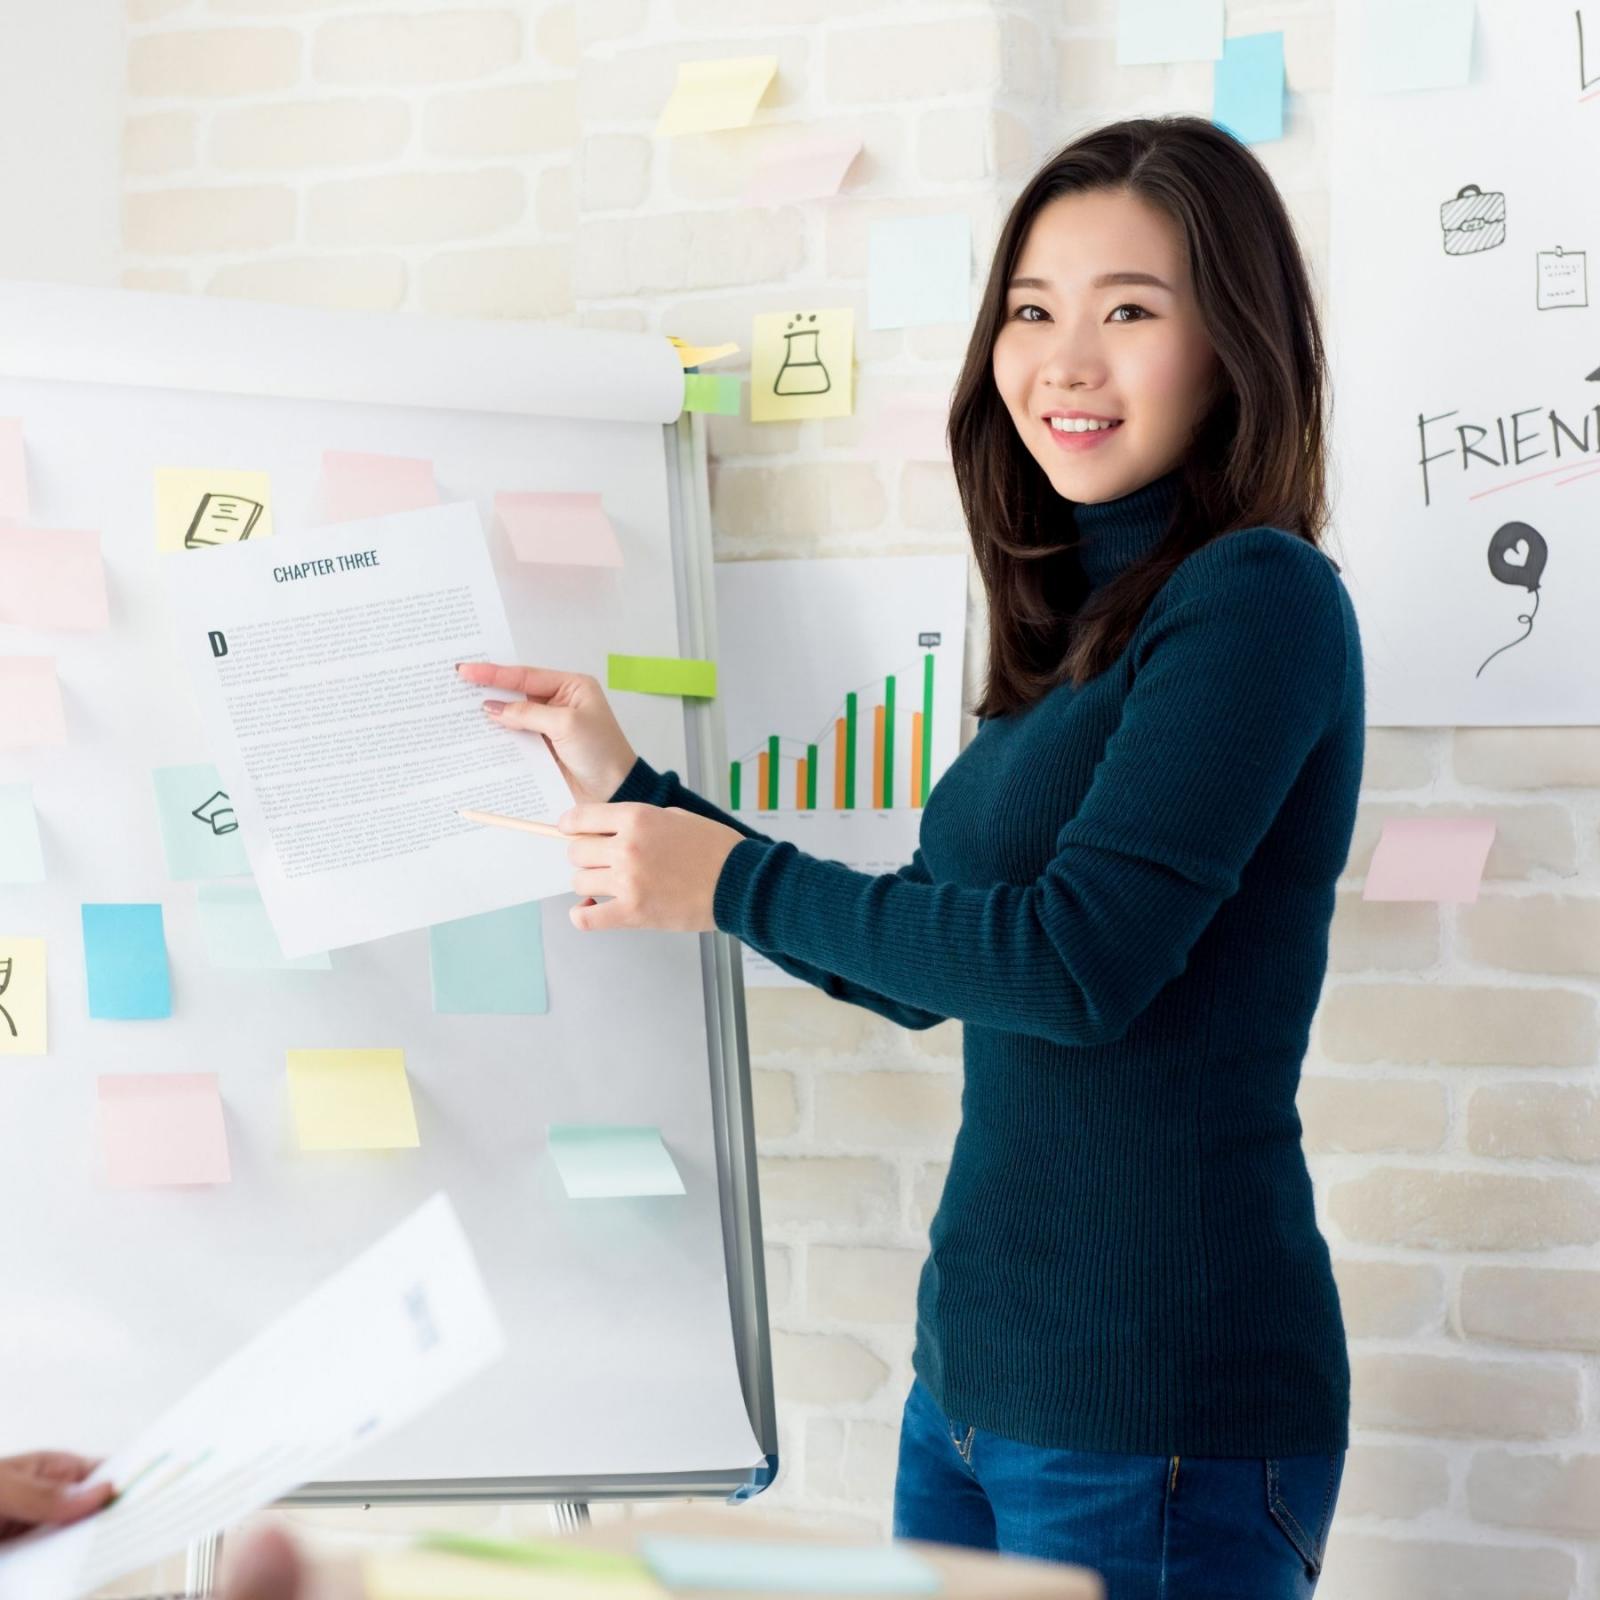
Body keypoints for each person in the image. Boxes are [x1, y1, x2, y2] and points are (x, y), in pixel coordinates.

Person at [460, 114, 1361, 1599]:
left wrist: (718, 879)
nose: (1064, 362)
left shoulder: (1256, 600)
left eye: (1128, 310)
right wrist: (636, 786)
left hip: (1158, 1407)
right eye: (1031, 311)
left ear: (1234, 340)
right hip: (974, 1384)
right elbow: (934, 963)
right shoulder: (1085, 620)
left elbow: (1075, 967)